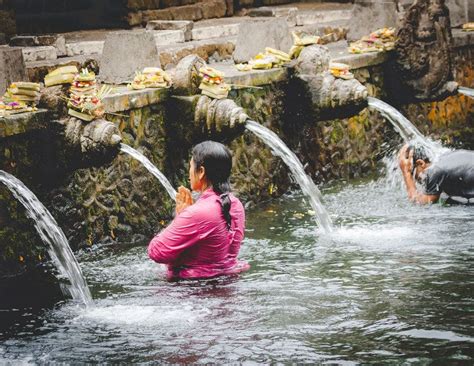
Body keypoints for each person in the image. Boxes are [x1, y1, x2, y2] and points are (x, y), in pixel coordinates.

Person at [148, 141, 250, 280]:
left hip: (192, 292)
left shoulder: (199, 212)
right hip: (227, 286)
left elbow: (157, 251)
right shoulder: (235, 204)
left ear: (201, 172)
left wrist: (181, 217)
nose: (189, 172)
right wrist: (184, 216)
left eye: (190, 166)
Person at [398, 144, 474, 204]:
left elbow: (421, 203)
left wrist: (406, 173)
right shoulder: (443, 157)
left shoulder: (434, 171)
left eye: (413, 173)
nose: (415, 179)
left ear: (421, 163)